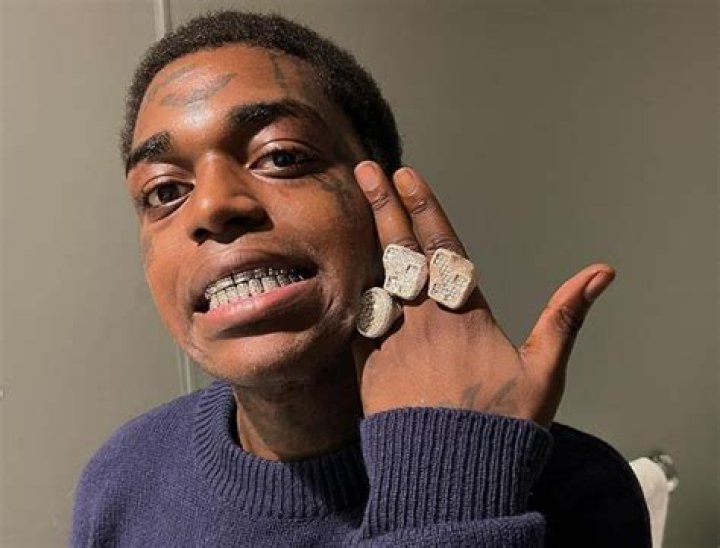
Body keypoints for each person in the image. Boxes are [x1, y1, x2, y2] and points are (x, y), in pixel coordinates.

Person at [70, 10, 650, 547]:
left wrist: (449, 486)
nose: (212, 206)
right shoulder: (122, 481)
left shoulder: (578, 491)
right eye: (165, 191)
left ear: (387, 198)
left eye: (281, 156)